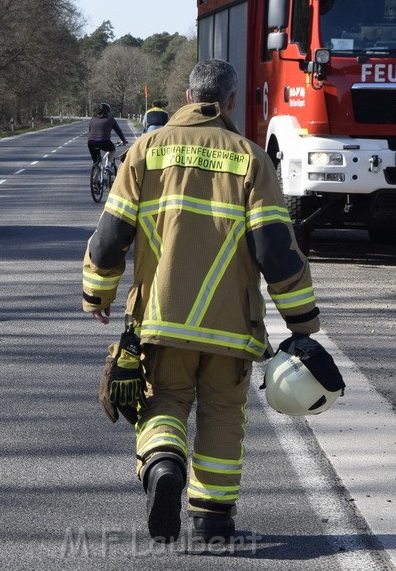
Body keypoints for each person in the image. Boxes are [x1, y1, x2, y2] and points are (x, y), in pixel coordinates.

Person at [81, 59, 321, 544]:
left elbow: (110, 237)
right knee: (223, 415)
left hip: (160, 320)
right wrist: (302, 319)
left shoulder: (146, 150)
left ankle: (164, 464)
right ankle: (212, 521)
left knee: (164, 402)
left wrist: (98, 291)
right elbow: (275, 249)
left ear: (188, 97)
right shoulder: (251, 158)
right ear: (229, 102)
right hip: (230, 328)